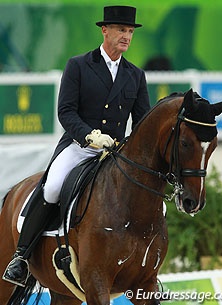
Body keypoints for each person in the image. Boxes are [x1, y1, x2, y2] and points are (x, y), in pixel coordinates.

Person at [2, 5, 150, 287]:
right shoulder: (79, 65)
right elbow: (66, 111)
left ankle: (147, 264)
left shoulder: (135, 75)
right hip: (81, 146)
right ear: (104, 30)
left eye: (130, 31)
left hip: (116, 152)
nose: (126, 36)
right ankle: (21, 257)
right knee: (54, 185)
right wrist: (89, 136)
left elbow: (142, 121)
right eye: (121, 30)